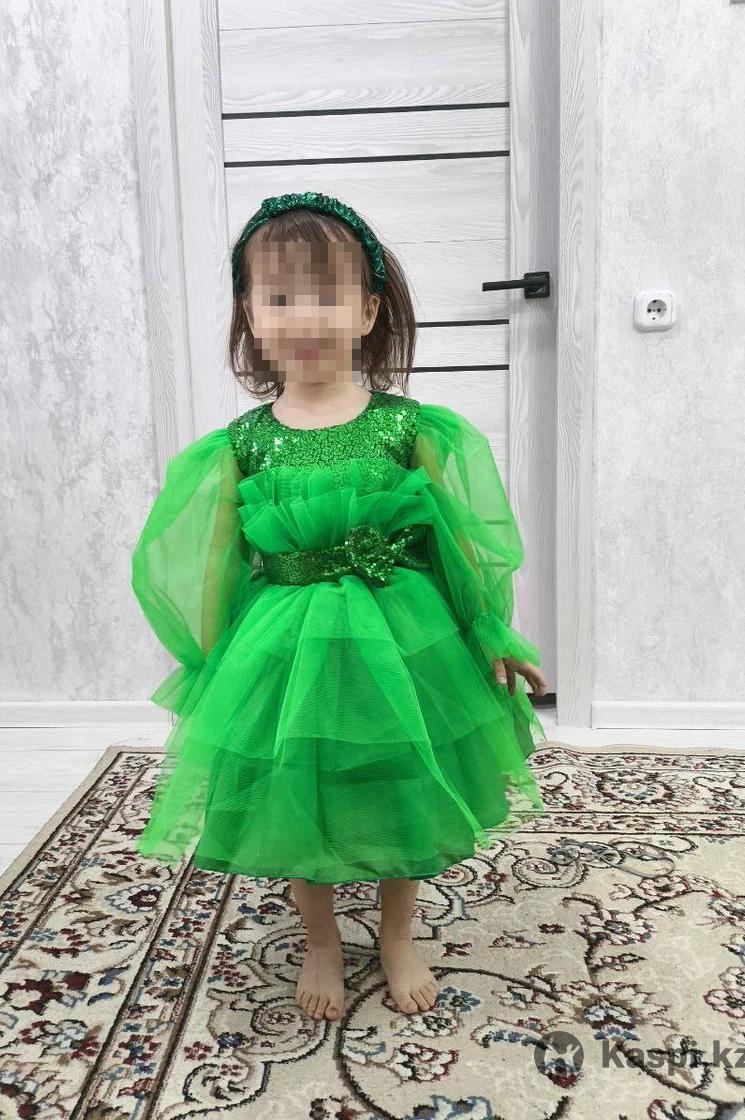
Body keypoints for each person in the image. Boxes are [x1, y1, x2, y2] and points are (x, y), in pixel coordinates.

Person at [131, 191, 549, 1024]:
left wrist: (488, 630)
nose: (305, 317)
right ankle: (320, 938)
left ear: (366, 311)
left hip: (404, 639)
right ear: (250, 316)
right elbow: (215, 560)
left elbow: (456, 543)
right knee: (298, 788)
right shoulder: (241, 445)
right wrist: (213, 666)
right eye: (280, 297)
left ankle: (396, 933)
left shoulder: (410, 428)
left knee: (402, 782)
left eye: (327, 296)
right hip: (286, 649)